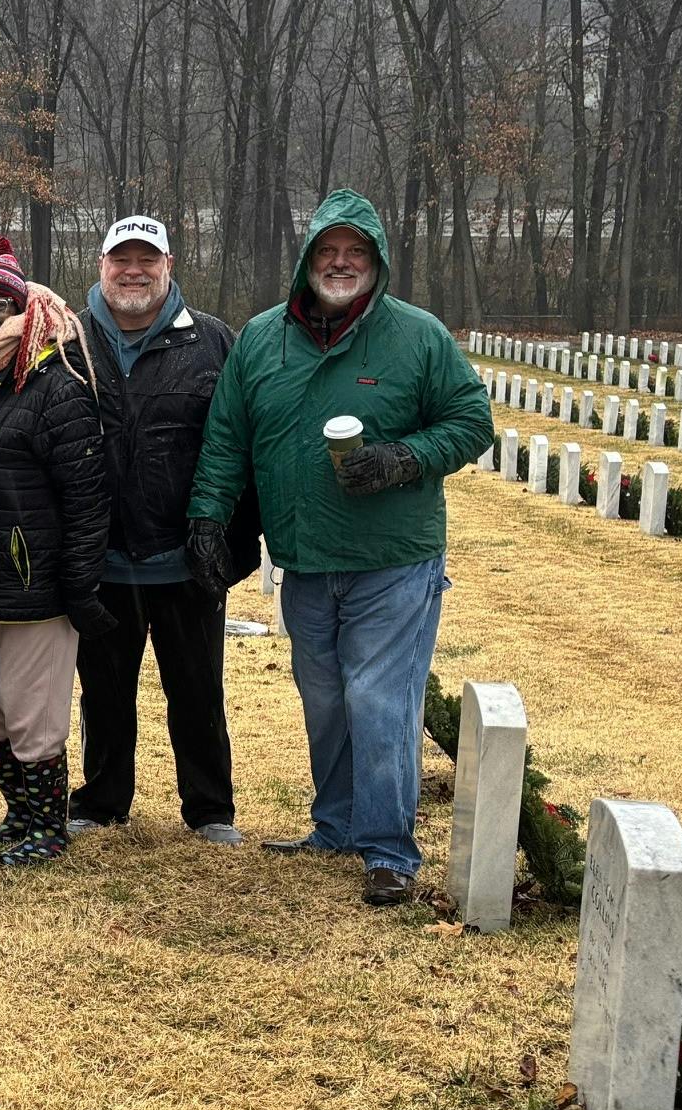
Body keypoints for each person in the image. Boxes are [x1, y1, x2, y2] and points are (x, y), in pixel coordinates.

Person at [185, 189, 493, 905]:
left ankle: (388, 851)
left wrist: (405, 458)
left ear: (376, 263)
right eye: (329, 252)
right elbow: (227, 437)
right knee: (324, 697)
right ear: (307, 261)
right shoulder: (263, 339)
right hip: (306, 557)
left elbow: (470, 420)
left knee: (378, 696)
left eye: (356, 254)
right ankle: (335, 825)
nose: (341, 264)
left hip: (393, 556)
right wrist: (207, 517)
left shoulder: (417, 336)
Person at [71, 214, 254, 845]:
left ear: (169, 267)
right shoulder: (69, 343)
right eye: (121, 259)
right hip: (101, 558)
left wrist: (230, 543)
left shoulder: (211, 341)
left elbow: (237, 446)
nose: (133, 271)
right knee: (103, 690)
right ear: (101, 266)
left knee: (197, 690)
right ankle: (101, 800)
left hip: (186, 557)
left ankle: (209, 810)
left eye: (147, 259)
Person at [0, 235, 112, 865]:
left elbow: (88, 498)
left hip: (37, 586)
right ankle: (20, 813)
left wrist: (78, 585)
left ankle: (49, 827)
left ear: (24, 307)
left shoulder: (55, 384)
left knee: (33, 713)